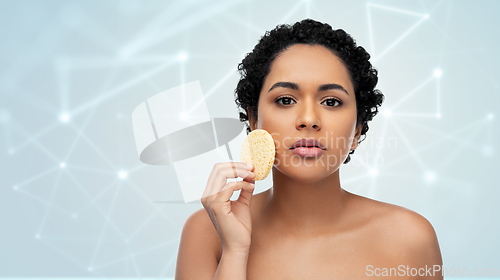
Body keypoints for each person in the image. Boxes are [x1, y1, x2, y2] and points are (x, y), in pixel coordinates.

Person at [175, 18, 443, 279]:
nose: (309, 119)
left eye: (331, 102)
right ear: (255, 120)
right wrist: (235, 251)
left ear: (357, 130)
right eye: (285, 99)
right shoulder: (207, 231)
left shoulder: (410, 238)